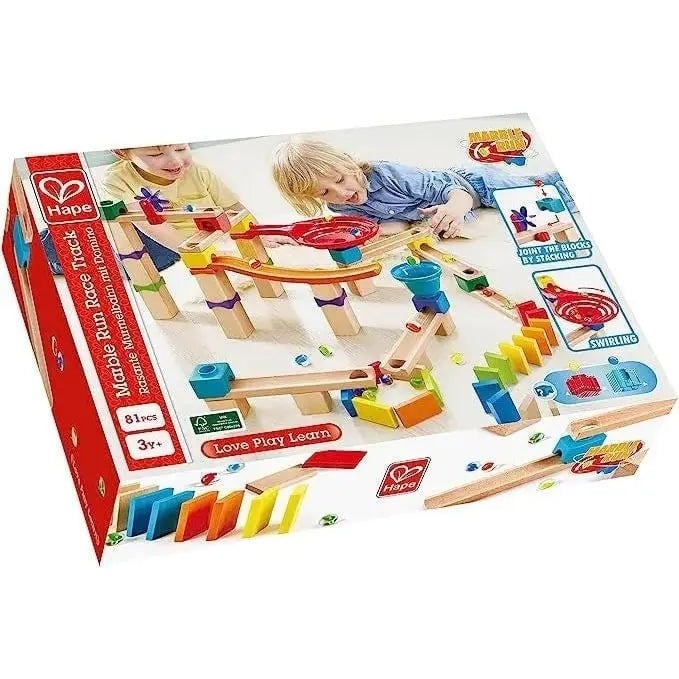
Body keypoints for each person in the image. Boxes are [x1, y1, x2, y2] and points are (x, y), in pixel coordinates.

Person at [42, 143, 294, 275]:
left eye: (181, 148)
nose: (175, 160)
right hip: (149, 238)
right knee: (76, 247)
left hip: (183, 245)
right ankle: (48, 258)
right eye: (155, 154)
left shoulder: (199, 172)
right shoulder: (117, 179)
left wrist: (257, 233)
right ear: (122, 153)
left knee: (145, 264)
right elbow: (147, 225)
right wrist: (199, 254)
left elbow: (234, 208)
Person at [272, 138, 576, 238]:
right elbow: (394, 224)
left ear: (348, 163)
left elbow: (455, 191)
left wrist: (455, 209)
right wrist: (366, 235)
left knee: (543, 195)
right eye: (324, 193)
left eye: (339, 180)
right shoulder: (341, 205)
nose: (339, 194)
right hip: (453, 198)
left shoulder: (389, 174)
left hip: (473, 183)